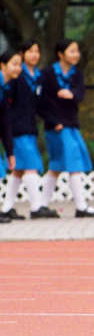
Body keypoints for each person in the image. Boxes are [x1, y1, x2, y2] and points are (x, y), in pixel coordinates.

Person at [37, 39, 94, 218]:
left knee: (56, 167)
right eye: (72, 51)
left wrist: (72, 94)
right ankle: (81, 207)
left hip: (71, 124)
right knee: (72, 165)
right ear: (61, 54)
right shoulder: (47, 74)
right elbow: (40, 103)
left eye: (77, 51)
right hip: (56, 127)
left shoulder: (77, 74)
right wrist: (52, 121)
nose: (76, 55)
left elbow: (80, 94)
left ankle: (41, 206)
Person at [2, 40, 58, 220]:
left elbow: (39, 105)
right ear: (22, 54)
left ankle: (7, 208)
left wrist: (52, 119)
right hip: (17, 128)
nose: (34, 55)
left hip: (29, 127)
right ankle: (36, 207)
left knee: (18, 169)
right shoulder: (15, 78)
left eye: (37, 51)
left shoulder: (38, 77)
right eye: (30, 51)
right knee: (32, 166)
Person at [0, 50, 19, 223]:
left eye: (19, 64)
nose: (18, 68)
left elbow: (5, 122)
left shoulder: (5, 88)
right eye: (14, 63)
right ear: (2, 65)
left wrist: (10, 152)